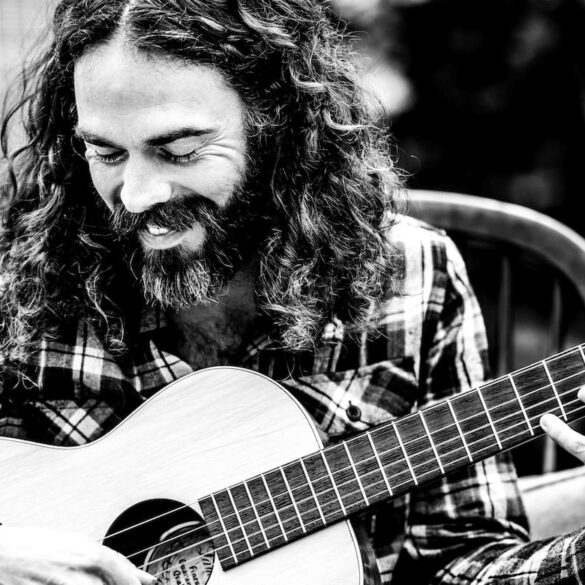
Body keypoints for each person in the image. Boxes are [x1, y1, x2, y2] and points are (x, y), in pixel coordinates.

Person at [0, 1, 584, 584]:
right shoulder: (19, 282)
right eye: (106, 152)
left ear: (277, 124)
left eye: (179, 151)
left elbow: (457, 560)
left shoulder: (410, 276)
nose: (135, 195)